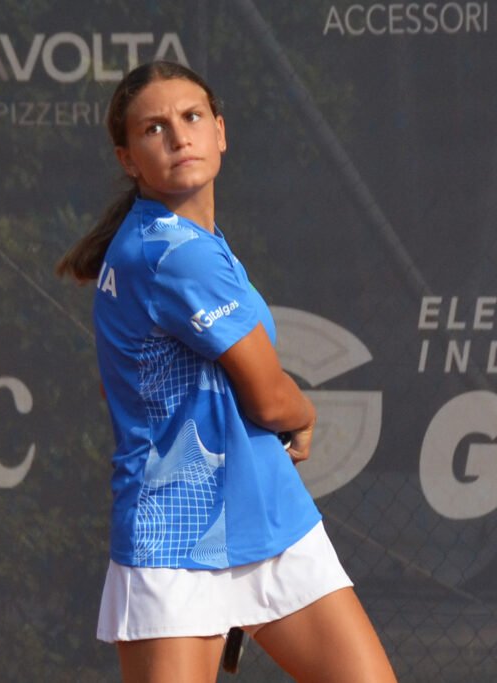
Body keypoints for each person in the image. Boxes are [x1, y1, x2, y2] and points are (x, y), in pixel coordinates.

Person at [56, 61, 397, 683]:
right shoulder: (172, 252)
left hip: (268, 518)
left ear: (220, 131)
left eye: (190, 118)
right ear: (128, 159)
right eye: (154, 129)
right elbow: (269, 400)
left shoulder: (189, 238)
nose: (179, 136)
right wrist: (306, 412)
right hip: (177, 540)